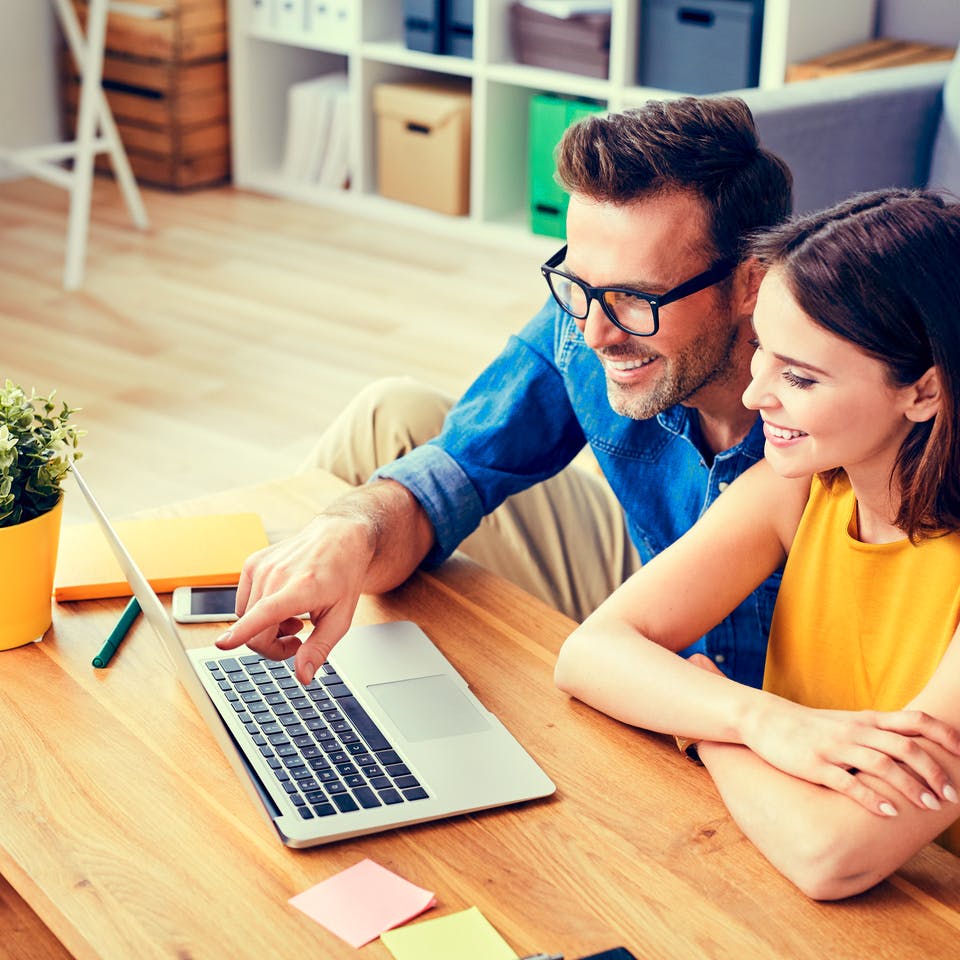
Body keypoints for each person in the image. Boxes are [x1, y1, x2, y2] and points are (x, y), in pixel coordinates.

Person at [217, 96, 792, 687]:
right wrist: (349, 532)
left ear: (750, 282)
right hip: (646, 573)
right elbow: (460, 466)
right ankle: (292, 652)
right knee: (393, 416)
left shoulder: (833, 400)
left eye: (636, 299)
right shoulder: (587, 318)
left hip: (781, 683)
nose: (596, 334)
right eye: (579, 286)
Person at [554, 188, 960, 899]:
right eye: (764, 354)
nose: (753, 397)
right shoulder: (804, 486)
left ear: (923, 392)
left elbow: (834, 855)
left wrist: (706, 717)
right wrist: (757, 718)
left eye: (800, 377)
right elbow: (590, 654)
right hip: (776, 872)